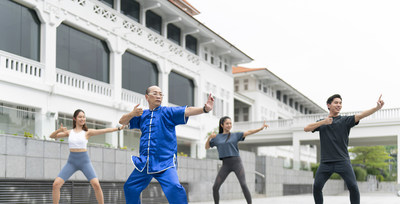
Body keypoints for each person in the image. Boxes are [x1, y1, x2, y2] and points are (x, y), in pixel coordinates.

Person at [119, 85, 214, 204]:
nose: (158, 96)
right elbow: (122, 121)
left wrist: (205, 109)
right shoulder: (141, 114)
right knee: (130, 188)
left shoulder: (168, 112)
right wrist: (132, 113)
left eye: (160, 94)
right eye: (155, 93)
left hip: (165, 162)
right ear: (147, 97)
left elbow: (187, 110)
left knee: (174, 188)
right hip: (145, 163)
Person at [304, 94, 384, 204]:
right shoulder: (321, 122)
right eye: (336, 102)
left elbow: (361, 115)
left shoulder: (345, 121)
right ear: (329, 105)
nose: (339, 105)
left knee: (353, 187)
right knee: (317, 187)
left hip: (343, 161)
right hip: (325, 163)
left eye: (340, 103)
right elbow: (306, 128)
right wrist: (324, 122)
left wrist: (377, 108)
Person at [50, 109, 125, 204]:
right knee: (56, 185)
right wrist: (60, 130)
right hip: (71, 162)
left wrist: (118, 129)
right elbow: (52, 136)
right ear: (75, 119)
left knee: (96, 185)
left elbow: (104, 130)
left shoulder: (87, 132)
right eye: (80, 117)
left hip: (84, 161)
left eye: (84, 117)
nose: (82, 119)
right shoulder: (69, 132)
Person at [205, 116, 268, 204]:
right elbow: (207, 147)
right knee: (215, 187)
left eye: (230, 123)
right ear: (222, 125)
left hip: (236, 163)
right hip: (225, 165)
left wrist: (260, 128)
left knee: (243, 184)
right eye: (227, 123)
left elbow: (249, 132)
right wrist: (209, 138)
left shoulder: (235, 135)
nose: (229, 125)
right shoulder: (217, 138)